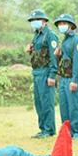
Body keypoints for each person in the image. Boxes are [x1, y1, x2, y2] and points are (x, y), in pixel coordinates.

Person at [26, 9, 58, 138]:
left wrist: (52, 75)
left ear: (44, 21)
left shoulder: (50, 35)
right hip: (36, 73)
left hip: (46, 73)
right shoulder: (36, 35)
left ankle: (49, 129)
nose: (35, 22)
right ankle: (43, 128)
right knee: (39, 102)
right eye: (32, 21)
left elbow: (54, 56)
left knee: (47, 102)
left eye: (37, 20)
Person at [54, 13, 78, 140]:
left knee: (74, 106)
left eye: (64, 23)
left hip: (72, 78)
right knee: (64, 106)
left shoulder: (77, 40)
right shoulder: (65, 40)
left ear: (71, 25)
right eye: (60, 24)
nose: (62, 26)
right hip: (63, 78)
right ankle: (66, 131)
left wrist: (75, 80)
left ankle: (77, 131)